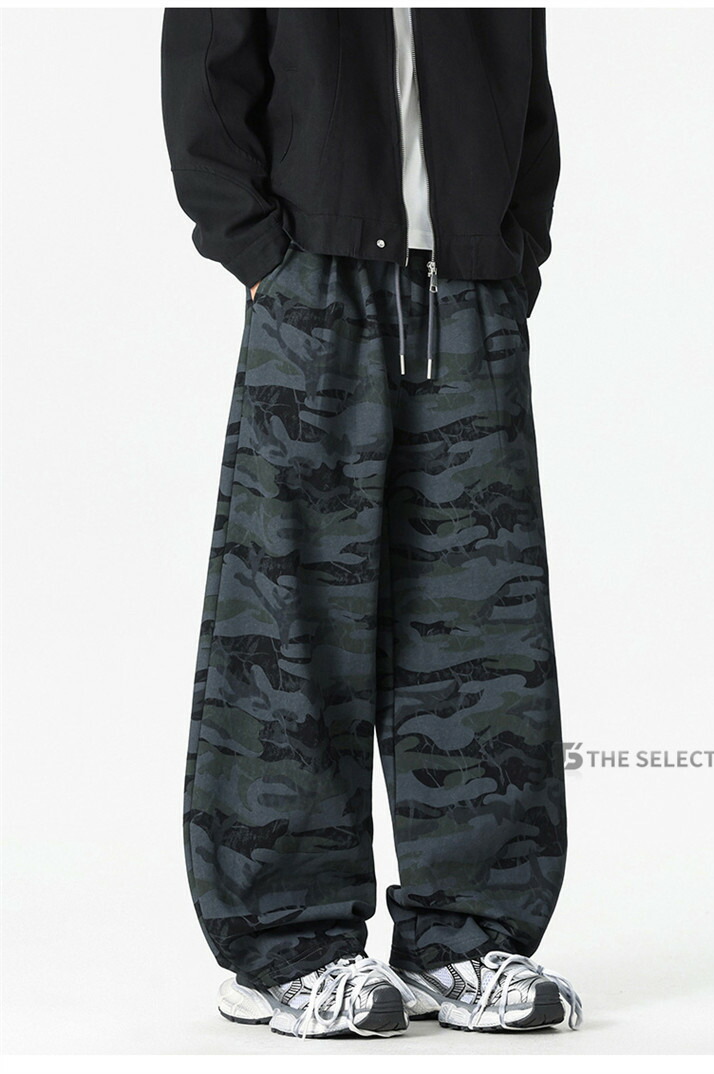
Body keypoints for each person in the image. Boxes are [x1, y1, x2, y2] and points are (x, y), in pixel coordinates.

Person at [160, 7, 582, 1040]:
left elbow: (529, 104)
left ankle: (464, 938)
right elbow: (207, 83)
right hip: (314, 284)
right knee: (291, 617)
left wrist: (511, 257)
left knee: (481, 624)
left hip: (470, 289)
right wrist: (264, 256)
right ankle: (289, 945)